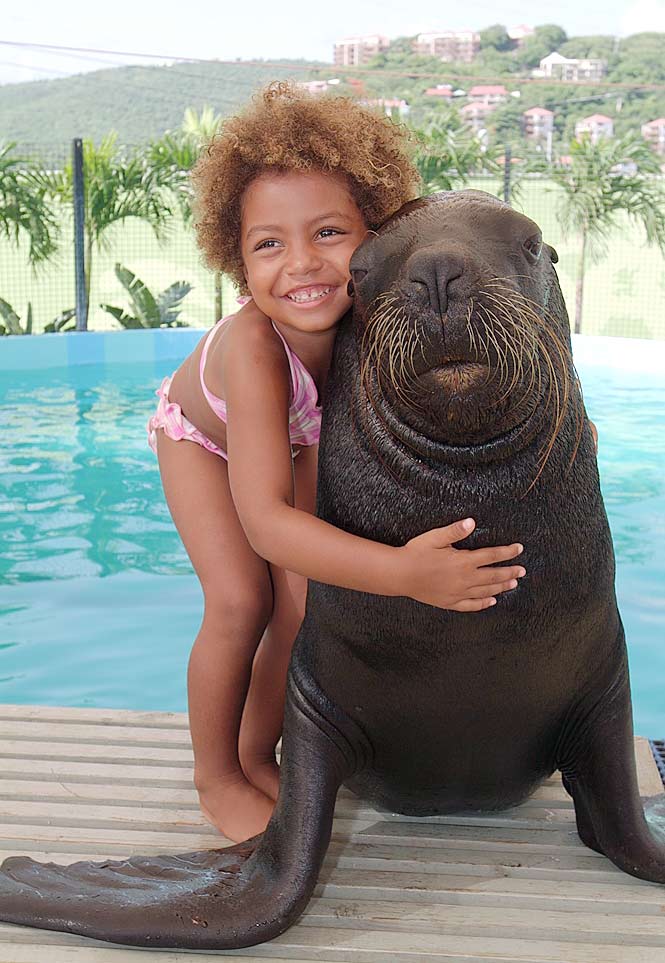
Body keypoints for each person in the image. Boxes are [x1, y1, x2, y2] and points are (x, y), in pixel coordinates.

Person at [147, 82, 526, 843]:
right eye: (267, 244)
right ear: (235, 253)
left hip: (297, 433)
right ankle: (217, 774)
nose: (300, 265)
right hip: (202, 438)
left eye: (327, 232)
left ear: (375, 235)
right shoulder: (256, 348)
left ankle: (259, 753)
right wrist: (405, 574)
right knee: (240, 602)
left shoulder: (368, 320)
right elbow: (265, 524)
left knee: (300, 606)